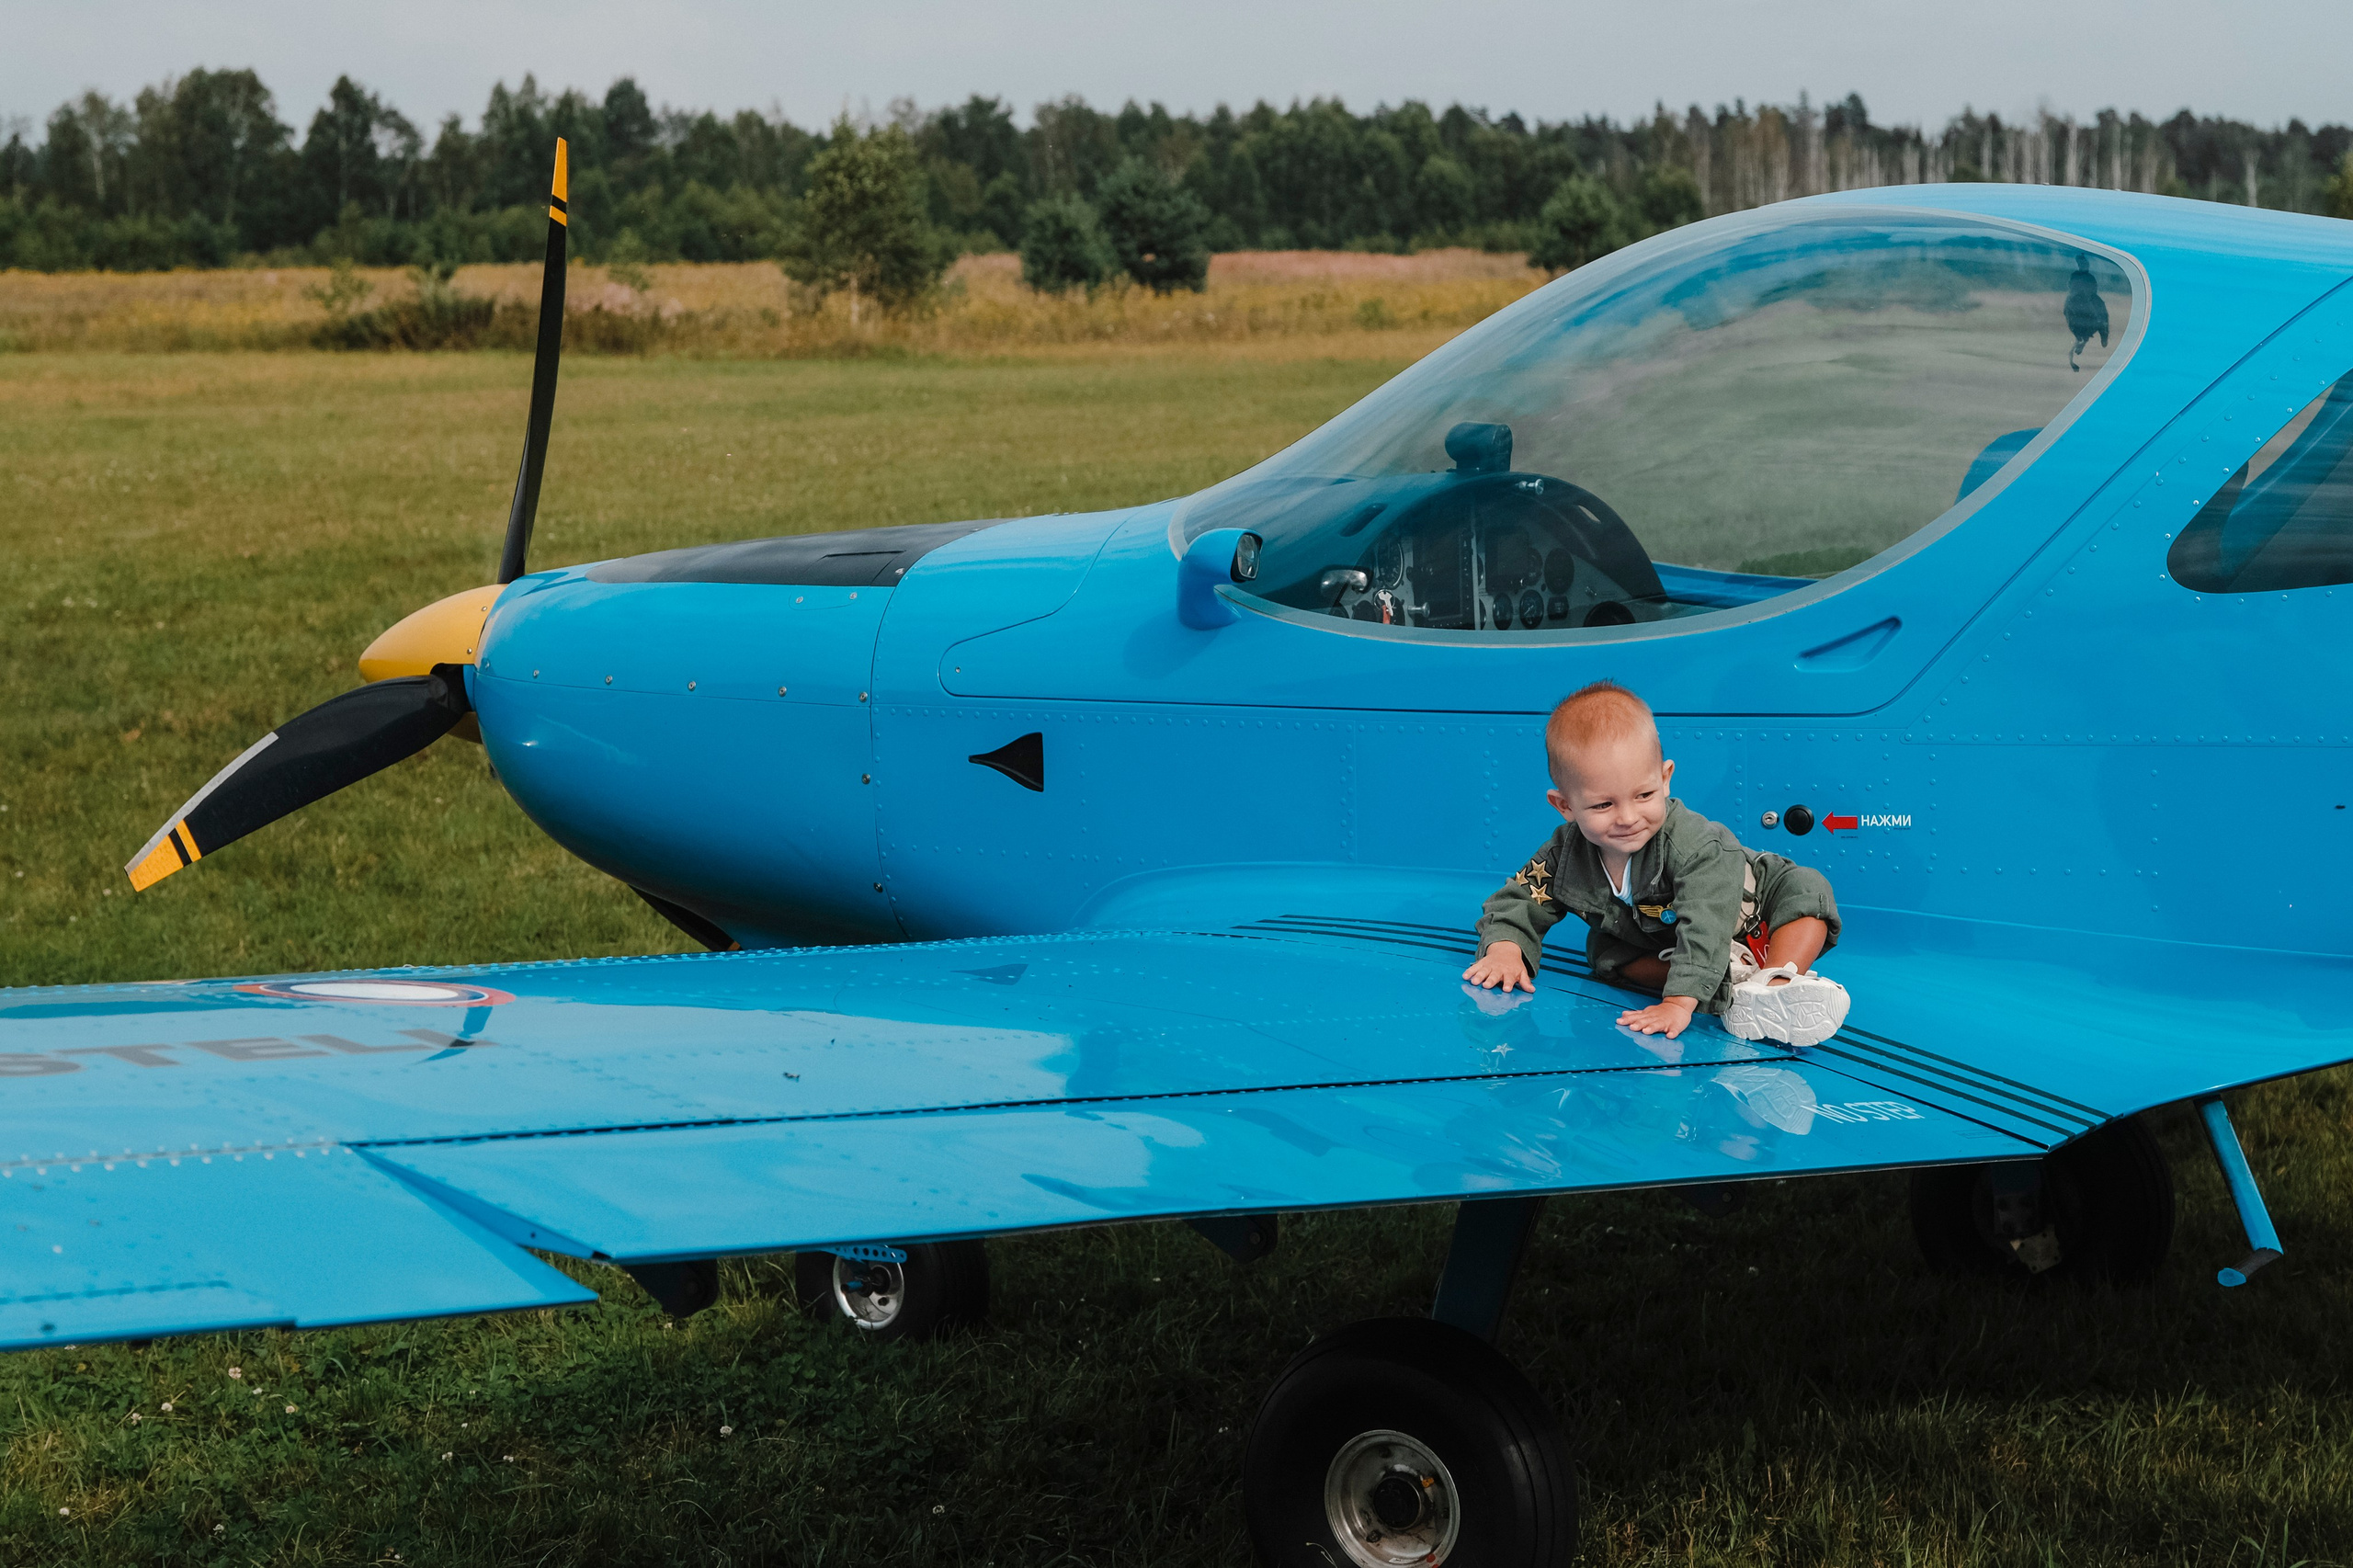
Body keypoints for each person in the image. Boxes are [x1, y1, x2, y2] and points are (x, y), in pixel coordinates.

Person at [1462, 680, 1849, 1047]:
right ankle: (1735, 980)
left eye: (1644, 794)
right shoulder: (1565, 855)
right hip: (1671, 944)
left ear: (1665, 779)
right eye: (1603, 804)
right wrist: (1505, 949)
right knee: (1607, 956)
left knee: (1807, 892)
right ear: (1564, 806)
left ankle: (1776, 984)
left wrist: (1679, 1003)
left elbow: (1706, 921)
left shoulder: (1693, 845)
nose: (1628, 817)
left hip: (1751, 912)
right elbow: (1518, 899)